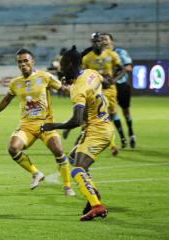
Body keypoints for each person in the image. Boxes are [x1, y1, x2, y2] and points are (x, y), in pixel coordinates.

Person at [0, 48, 75, 196]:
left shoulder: (45, 76)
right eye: (19, 62)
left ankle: (67, 186)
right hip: (26, 126)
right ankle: (35, 173)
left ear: (33, 61)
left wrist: (75, 90)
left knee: (58, 150)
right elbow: (7, 99)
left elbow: (63, 89)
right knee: (13, 148)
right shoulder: (15, 83)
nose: (23, 64)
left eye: (26, 60)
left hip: (46, 124)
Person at [41, 46, 112, 221]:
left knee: (77, 170)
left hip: (98, 131)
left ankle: (96, 205)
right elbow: (108, 83)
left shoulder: (77, 89)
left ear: (71, 64)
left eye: (63, 65)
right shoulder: (91, 73)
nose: (61, 69)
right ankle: (92, 195)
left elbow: (76, 120)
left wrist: (52, 126)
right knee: (73, 159)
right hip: (99, 126)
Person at [82, 32, 126, 155]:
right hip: (94, 91)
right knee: (100, 116)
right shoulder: (87, 58)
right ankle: (112, 144)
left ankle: (119, 138)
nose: (97, 43)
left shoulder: (111, 55)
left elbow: (122, 69)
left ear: (102, 42)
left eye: (99, 41)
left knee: (111, 115)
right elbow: (83, 74)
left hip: (109, 89)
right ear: (92, 43)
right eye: (94, 41)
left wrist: (114, 80)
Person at [101, 33, 136, 148]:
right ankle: (122, 138)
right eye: (102, 39)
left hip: (121, 85)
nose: (104, 41)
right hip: (108, 88)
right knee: (112, 112)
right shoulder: (101, 55)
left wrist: (115, 76)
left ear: (111, 41)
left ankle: (131, 132)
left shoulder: (120, 52)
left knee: (126, 111)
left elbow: (128, 67)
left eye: (106, 39)